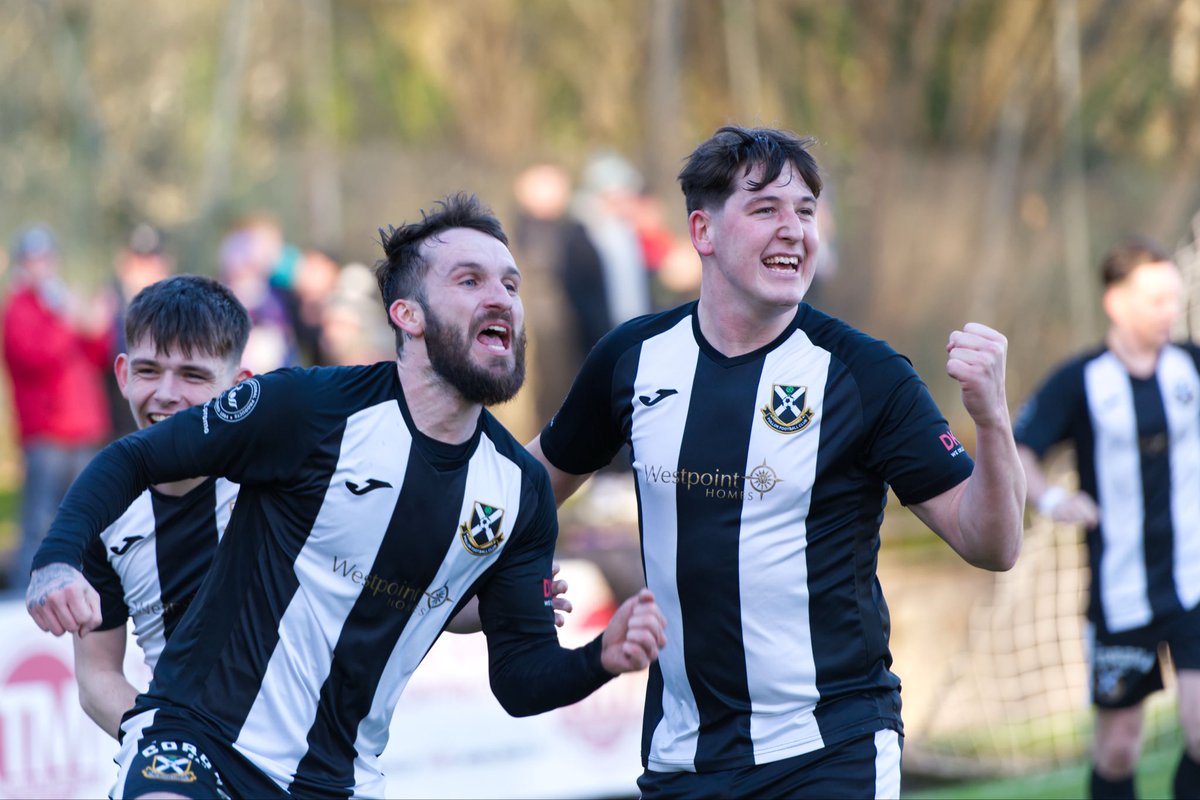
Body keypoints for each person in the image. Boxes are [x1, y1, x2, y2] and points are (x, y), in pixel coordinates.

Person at [25, 193, 666, 799]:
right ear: (406, 315)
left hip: (341, 781)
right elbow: (135, 455)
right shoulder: (309, 409)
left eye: (510, 283)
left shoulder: (517, 491)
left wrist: (599, 658)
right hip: (200, 741)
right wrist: (55, 559)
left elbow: (521, 679)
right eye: (470, 281)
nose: (500, 297)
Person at [528, 126, 1026, 798]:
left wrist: (992, 421)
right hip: (684, 759)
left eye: (806, 211)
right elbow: (525, 492)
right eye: (765, 209)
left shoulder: (865, 375)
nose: (794, 229)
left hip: (833, 748)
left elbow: (991, 543)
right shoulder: (632, 359)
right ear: (702, 232)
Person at [76, 274, 573, 741]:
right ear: (122, 374)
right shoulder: (100, 506)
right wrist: (163, 738)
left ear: (239, 384)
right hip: (186, 756)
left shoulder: (287, 466)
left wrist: (501, 607)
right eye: (148, 371)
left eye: (192, 375)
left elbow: (391, 587)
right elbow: (97, 674)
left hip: (314, 752)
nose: (167, 395)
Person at [1014, 239, 1200, 800]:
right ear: (1116, 302)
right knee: (1119, 748)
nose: (1169, 309)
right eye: (1155, 298)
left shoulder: (1190, 366)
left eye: (1174, 297)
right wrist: (1051, 500)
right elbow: (1020, 451)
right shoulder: (1081, 380)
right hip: (1121, 597)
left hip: (1193, 585)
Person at [2, 224, 114, 591]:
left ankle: (85, 591)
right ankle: (23, 597)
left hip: (82, 431)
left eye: (47, 258)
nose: (42, 266)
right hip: (46, 434)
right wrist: (68, 320)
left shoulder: (63, 301)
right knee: (39, 522)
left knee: (88, 520)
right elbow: (34, 358)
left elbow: (97, 355)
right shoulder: (18, 308)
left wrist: (94, 323)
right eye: (35, 259)